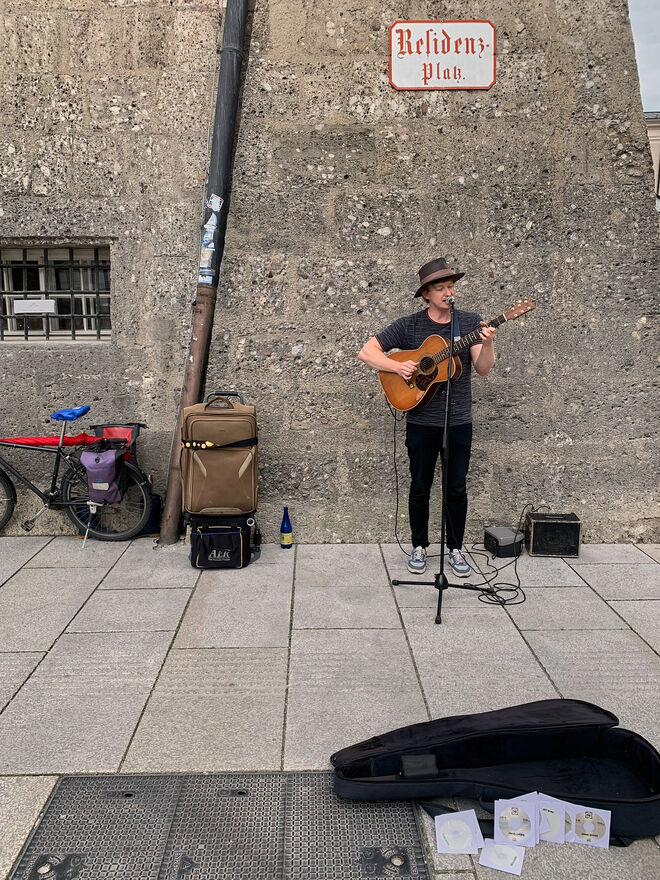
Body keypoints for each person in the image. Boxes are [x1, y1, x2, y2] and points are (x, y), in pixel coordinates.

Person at [357, 257, 496, 576]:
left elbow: (483, 368)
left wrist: (488, 343)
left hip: (458, 420)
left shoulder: (470, 321)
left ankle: (456, 549)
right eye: (441, 287)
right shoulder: (410, 326)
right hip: (421, 421)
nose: (448, 291)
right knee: (420, 486)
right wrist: (397, 366)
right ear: (426, 294)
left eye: (451, 286)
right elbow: (367, 351)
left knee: (456, 487)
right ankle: (419, 546)